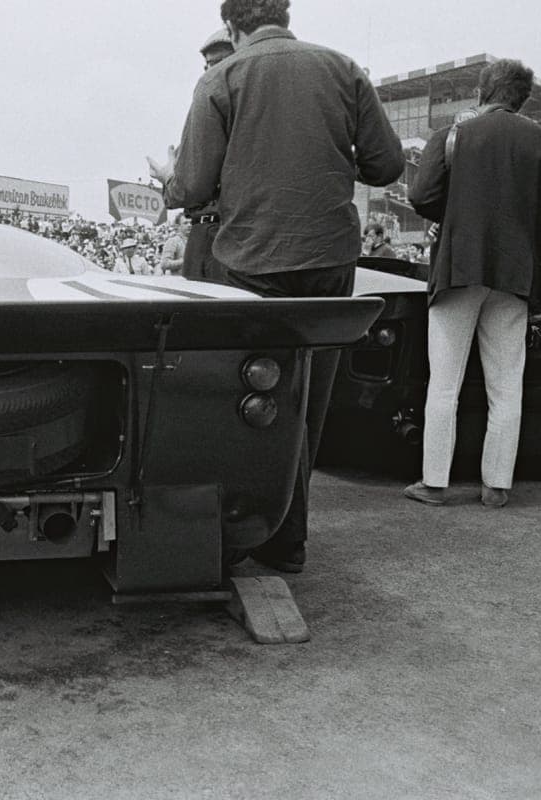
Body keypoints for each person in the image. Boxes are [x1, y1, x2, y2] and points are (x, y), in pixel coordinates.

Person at [148, 0, 404, 573]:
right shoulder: (344, 69)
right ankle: (288, 538)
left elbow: (192, 188)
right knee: (309, 397)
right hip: (329, 255)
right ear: (284, 17)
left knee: (253, 399)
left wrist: (168, 180)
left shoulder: (221, 78)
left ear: (232, 26)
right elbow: (386, 166)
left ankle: (256, 530)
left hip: (253, 259)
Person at [404, 59, 541, 509]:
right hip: (516, 277)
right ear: (523, 100)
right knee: (507, 384)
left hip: (458, 267)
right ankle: (497, 484)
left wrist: (454, 216)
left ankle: (434, 482)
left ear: (481, 92)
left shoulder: (454, 134)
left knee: (444, 382)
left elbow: (421, 195)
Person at [181, 28, 235, 283]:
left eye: (217, 62)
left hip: (222, 229)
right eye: (207, 65)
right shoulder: (209, 102)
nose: (209, 71)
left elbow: (190, 184)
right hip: (205, 229)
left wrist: (170, 180)